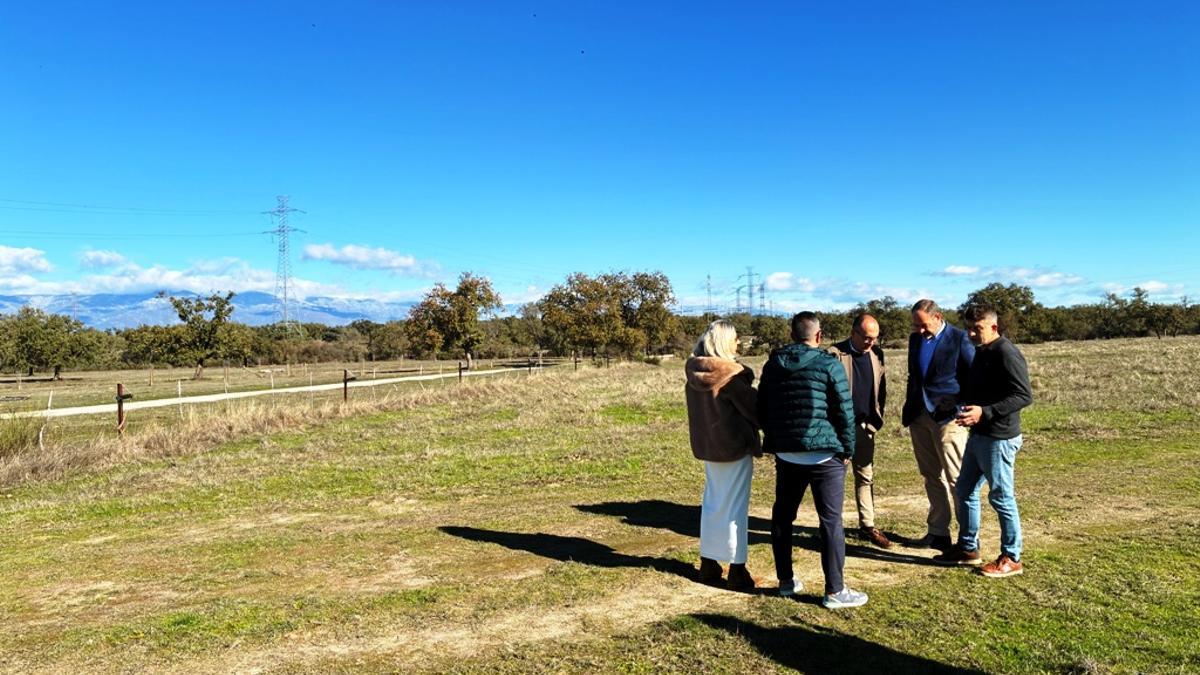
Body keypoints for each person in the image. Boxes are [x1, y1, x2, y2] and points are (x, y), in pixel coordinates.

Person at [759, 312, 868, 609]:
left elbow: (763, 409)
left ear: (792, 334)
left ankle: (785, 581)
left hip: (787, 453)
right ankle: (835, 590)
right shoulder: (829, 364)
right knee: (830, 521)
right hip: (824, 454)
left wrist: (777, 438)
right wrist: (847, 449)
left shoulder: (772, 366)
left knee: (783, 517)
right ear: (818, 336)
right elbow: (844, 412)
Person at [934, 305, 1034, 577]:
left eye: (977, 328)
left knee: (1001, 497)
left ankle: (1012, 557)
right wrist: (958, 398)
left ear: (994, 327)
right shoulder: (982, 352)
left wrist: (984, 412)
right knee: (965, 489)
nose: (971, 333)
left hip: (999, 437)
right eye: (968, 327)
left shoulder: (1006, 352)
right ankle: (968, 549)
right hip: (979, 435)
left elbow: (1023, 395)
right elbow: (978, 389)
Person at [684, 320, 761, 591]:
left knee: (713, 504)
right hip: (735, 447)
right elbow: (755, 411)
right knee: (735, 509)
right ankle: (737, 568)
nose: (739, 343)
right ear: (725, 342)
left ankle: (709, 562)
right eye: (736, 339)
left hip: (709, 448)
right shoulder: (732, 377)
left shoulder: (694, 373)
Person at [902, 299, 975, 551]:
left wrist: (959, 402)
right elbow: (915, 376)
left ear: (938, 317)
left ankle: (967, 541)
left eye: (922, 325)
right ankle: (938, 532)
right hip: (920, 415)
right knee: (930, 475)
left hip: (949, 418)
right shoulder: (915, 340)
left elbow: (973, 376)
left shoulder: (959, 339)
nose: (919, 330)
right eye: (915, 325)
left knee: (957, 478)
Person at [828, 314, 891, 549]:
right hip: (838, 429)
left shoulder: (877, 354)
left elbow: (881, 390)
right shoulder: (834, 354)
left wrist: (876, 420)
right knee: (834, 478)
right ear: (853, 333)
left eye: (874, 338)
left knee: (865, 476)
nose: (870, 343)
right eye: (866, 338)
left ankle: (868, 525)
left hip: (865, 427)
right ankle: (832, 528)